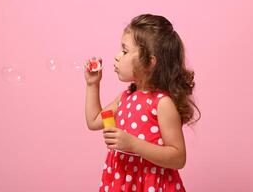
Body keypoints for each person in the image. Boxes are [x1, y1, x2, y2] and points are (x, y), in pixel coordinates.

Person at [84, 13, 201, 192]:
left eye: (124, 51)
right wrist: (93, 84)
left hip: (150, 184)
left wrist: (133, 145)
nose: (117, 56)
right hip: (122, 181)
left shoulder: (162, 103)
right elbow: (93, 121)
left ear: (149, 63)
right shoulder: (125, 97)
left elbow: (178, 157)